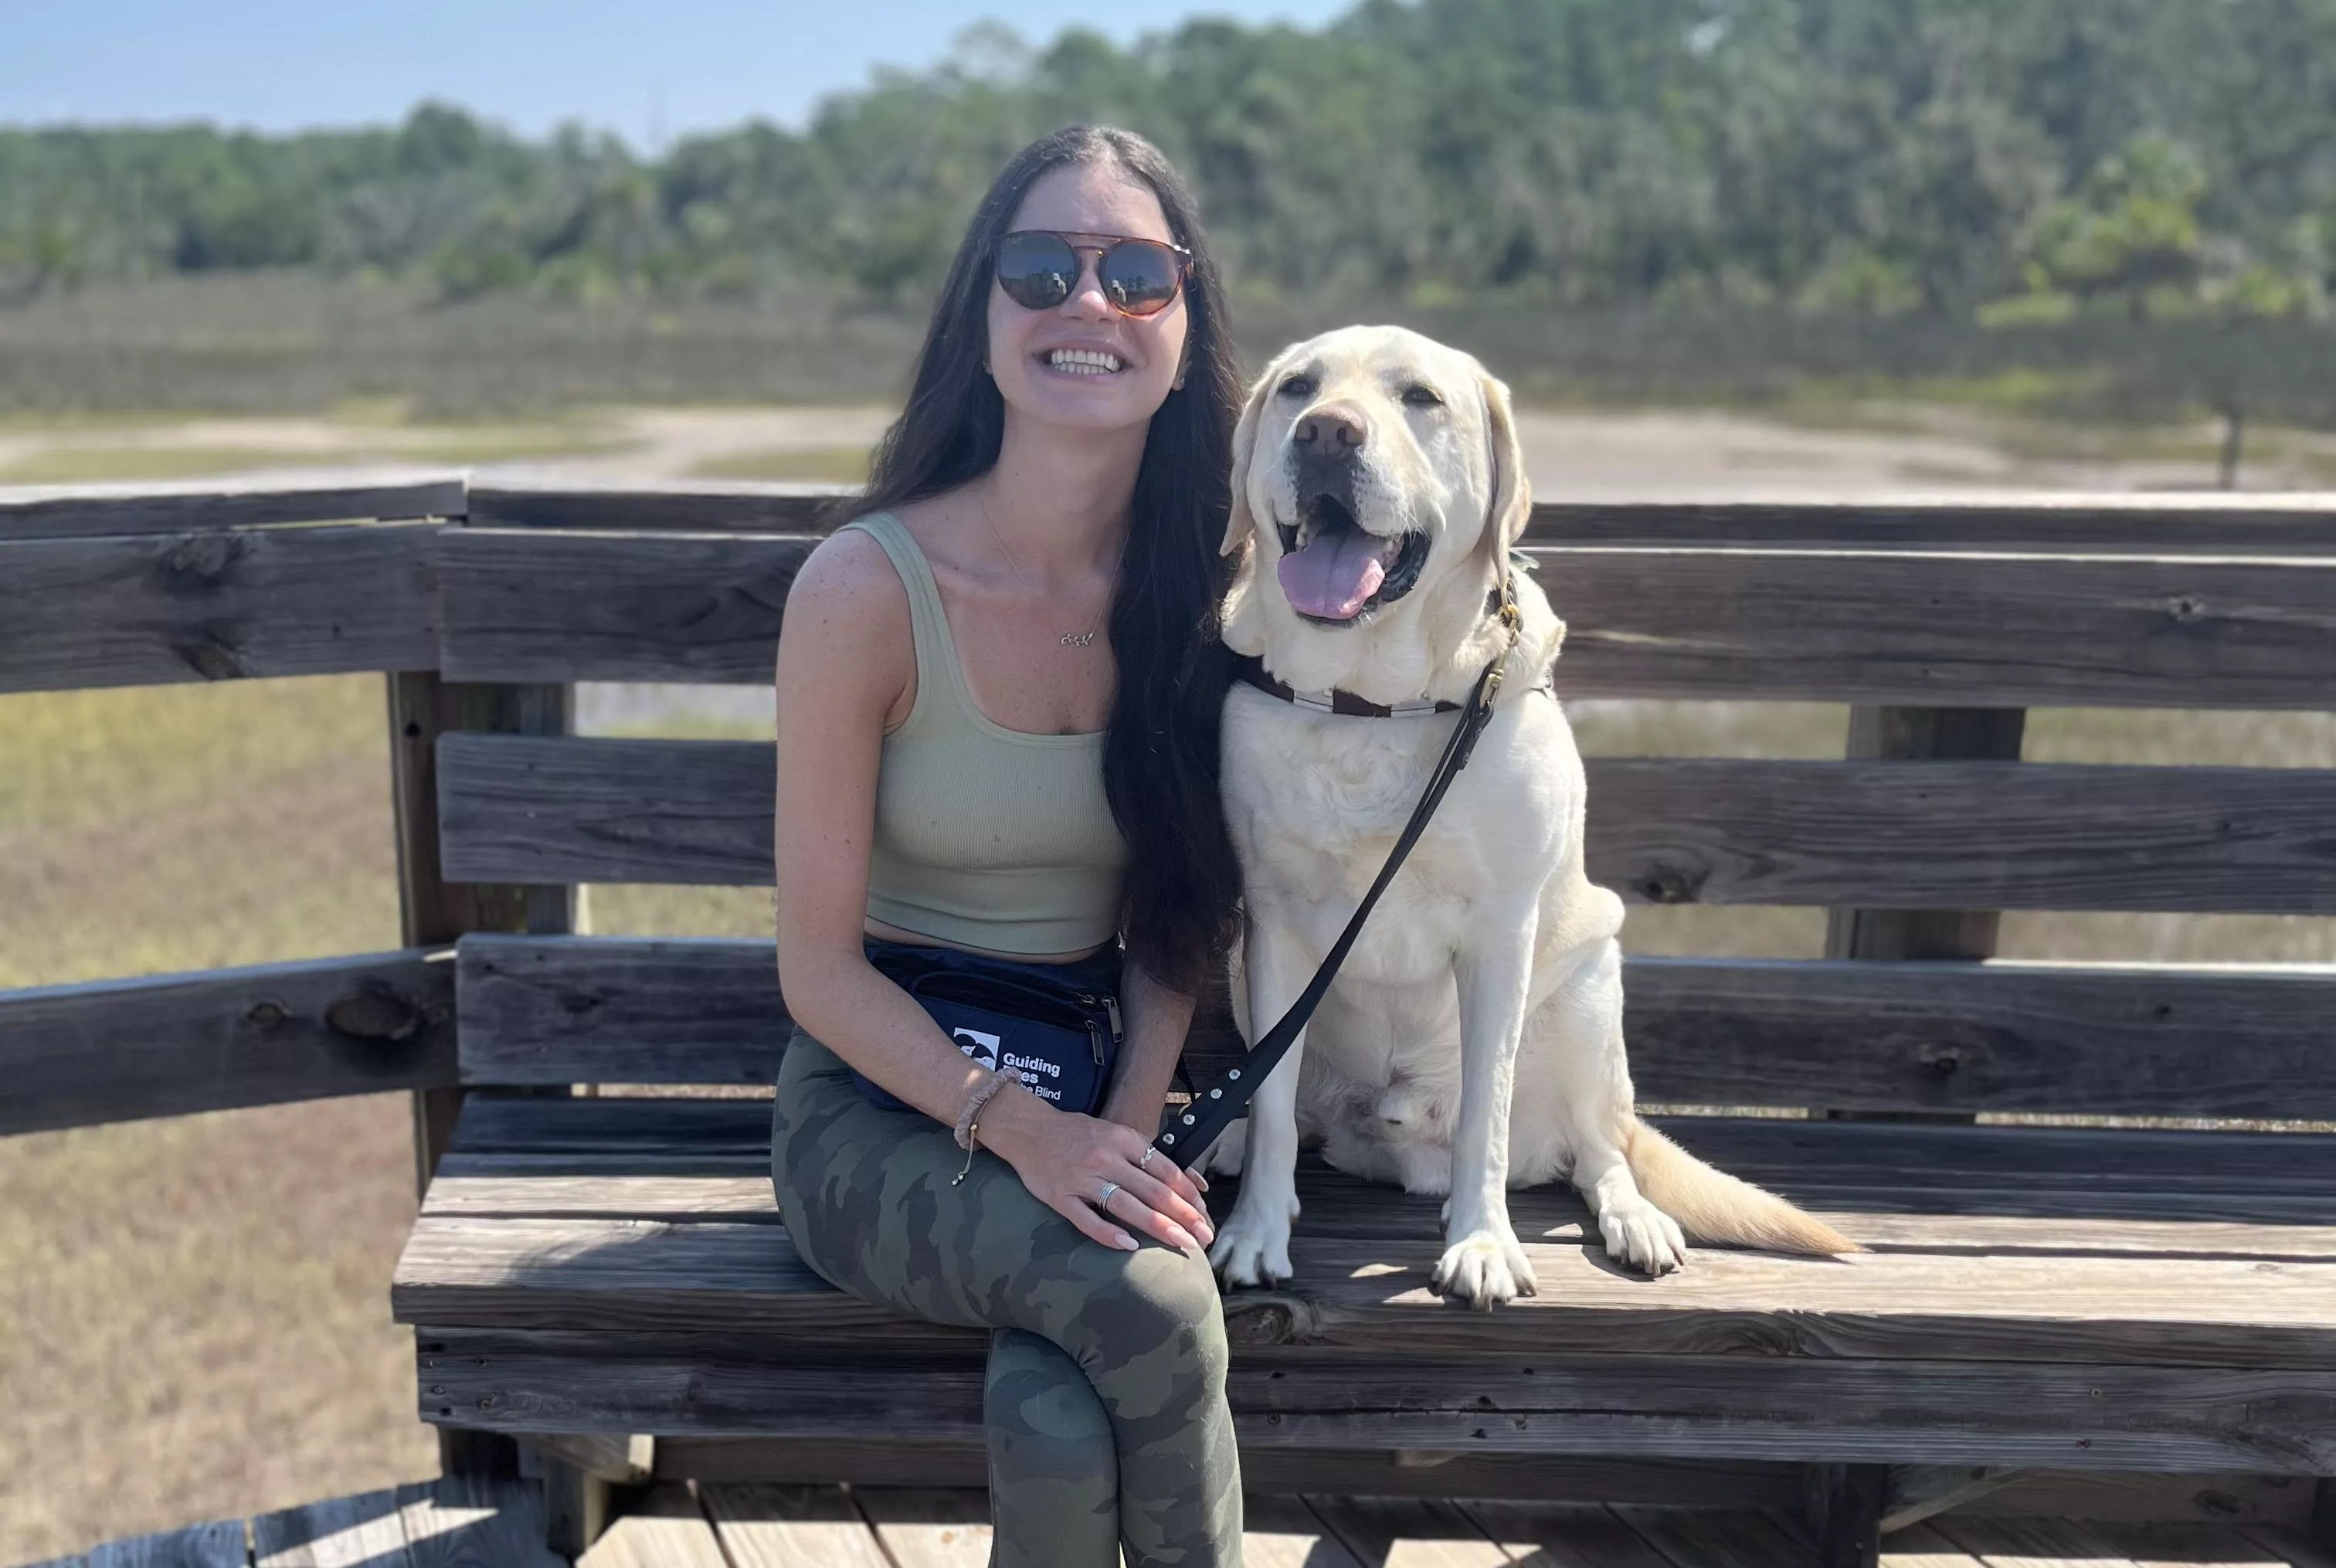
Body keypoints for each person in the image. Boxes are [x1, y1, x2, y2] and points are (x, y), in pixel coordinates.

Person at [769, 124, 1248, 1567]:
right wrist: (1027, 1133)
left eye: (1135, 275)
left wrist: (1114, 1139)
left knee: (1055, 1404)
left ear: (1183, 324)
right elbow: (816, 968)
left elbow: (1180, 919)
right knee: (1150, 1305)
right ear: (981, 318)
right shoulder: (866, 586)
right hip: (878, 1116)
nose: (1085, 305)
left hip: (1096, 1079)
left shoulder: (1217, 596)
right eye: (1040, 268)